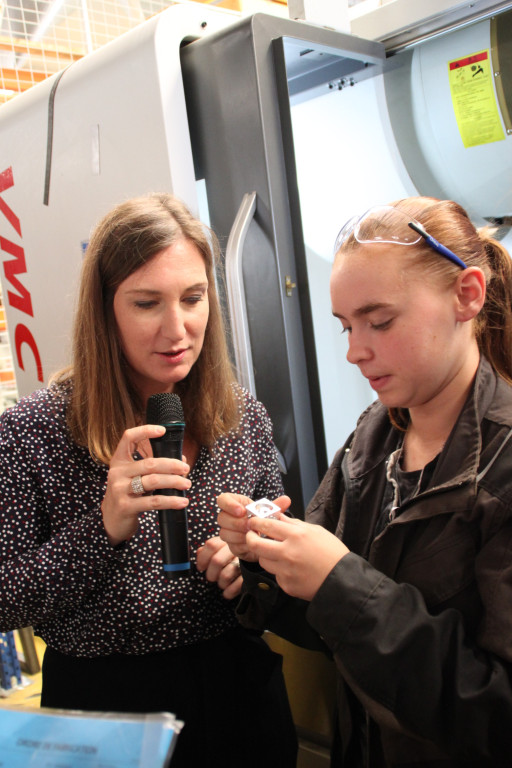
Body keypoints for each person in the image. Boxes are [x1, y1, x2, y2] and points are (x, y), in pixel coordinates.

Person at [0, 193, 297, 767]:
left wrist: (249, 561)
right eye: (146, 303)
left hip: (237, 691)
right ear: (104, 310)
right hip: (106, 709)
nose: (177, 328)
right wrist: (102, 528)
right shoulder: (31, 434)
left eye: (193, 298)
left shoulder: (241, 415)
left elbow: (283, 544)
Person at [216, 196, 512, 767]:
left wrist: (339, 582)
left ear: (467, 295)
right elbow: (336, 631)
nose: (355, 351)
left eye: (380, 322)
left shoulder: (502, 466)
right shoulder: (374, 437)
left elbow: (497, 713)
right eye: (347, 326)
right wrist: (265, 559)